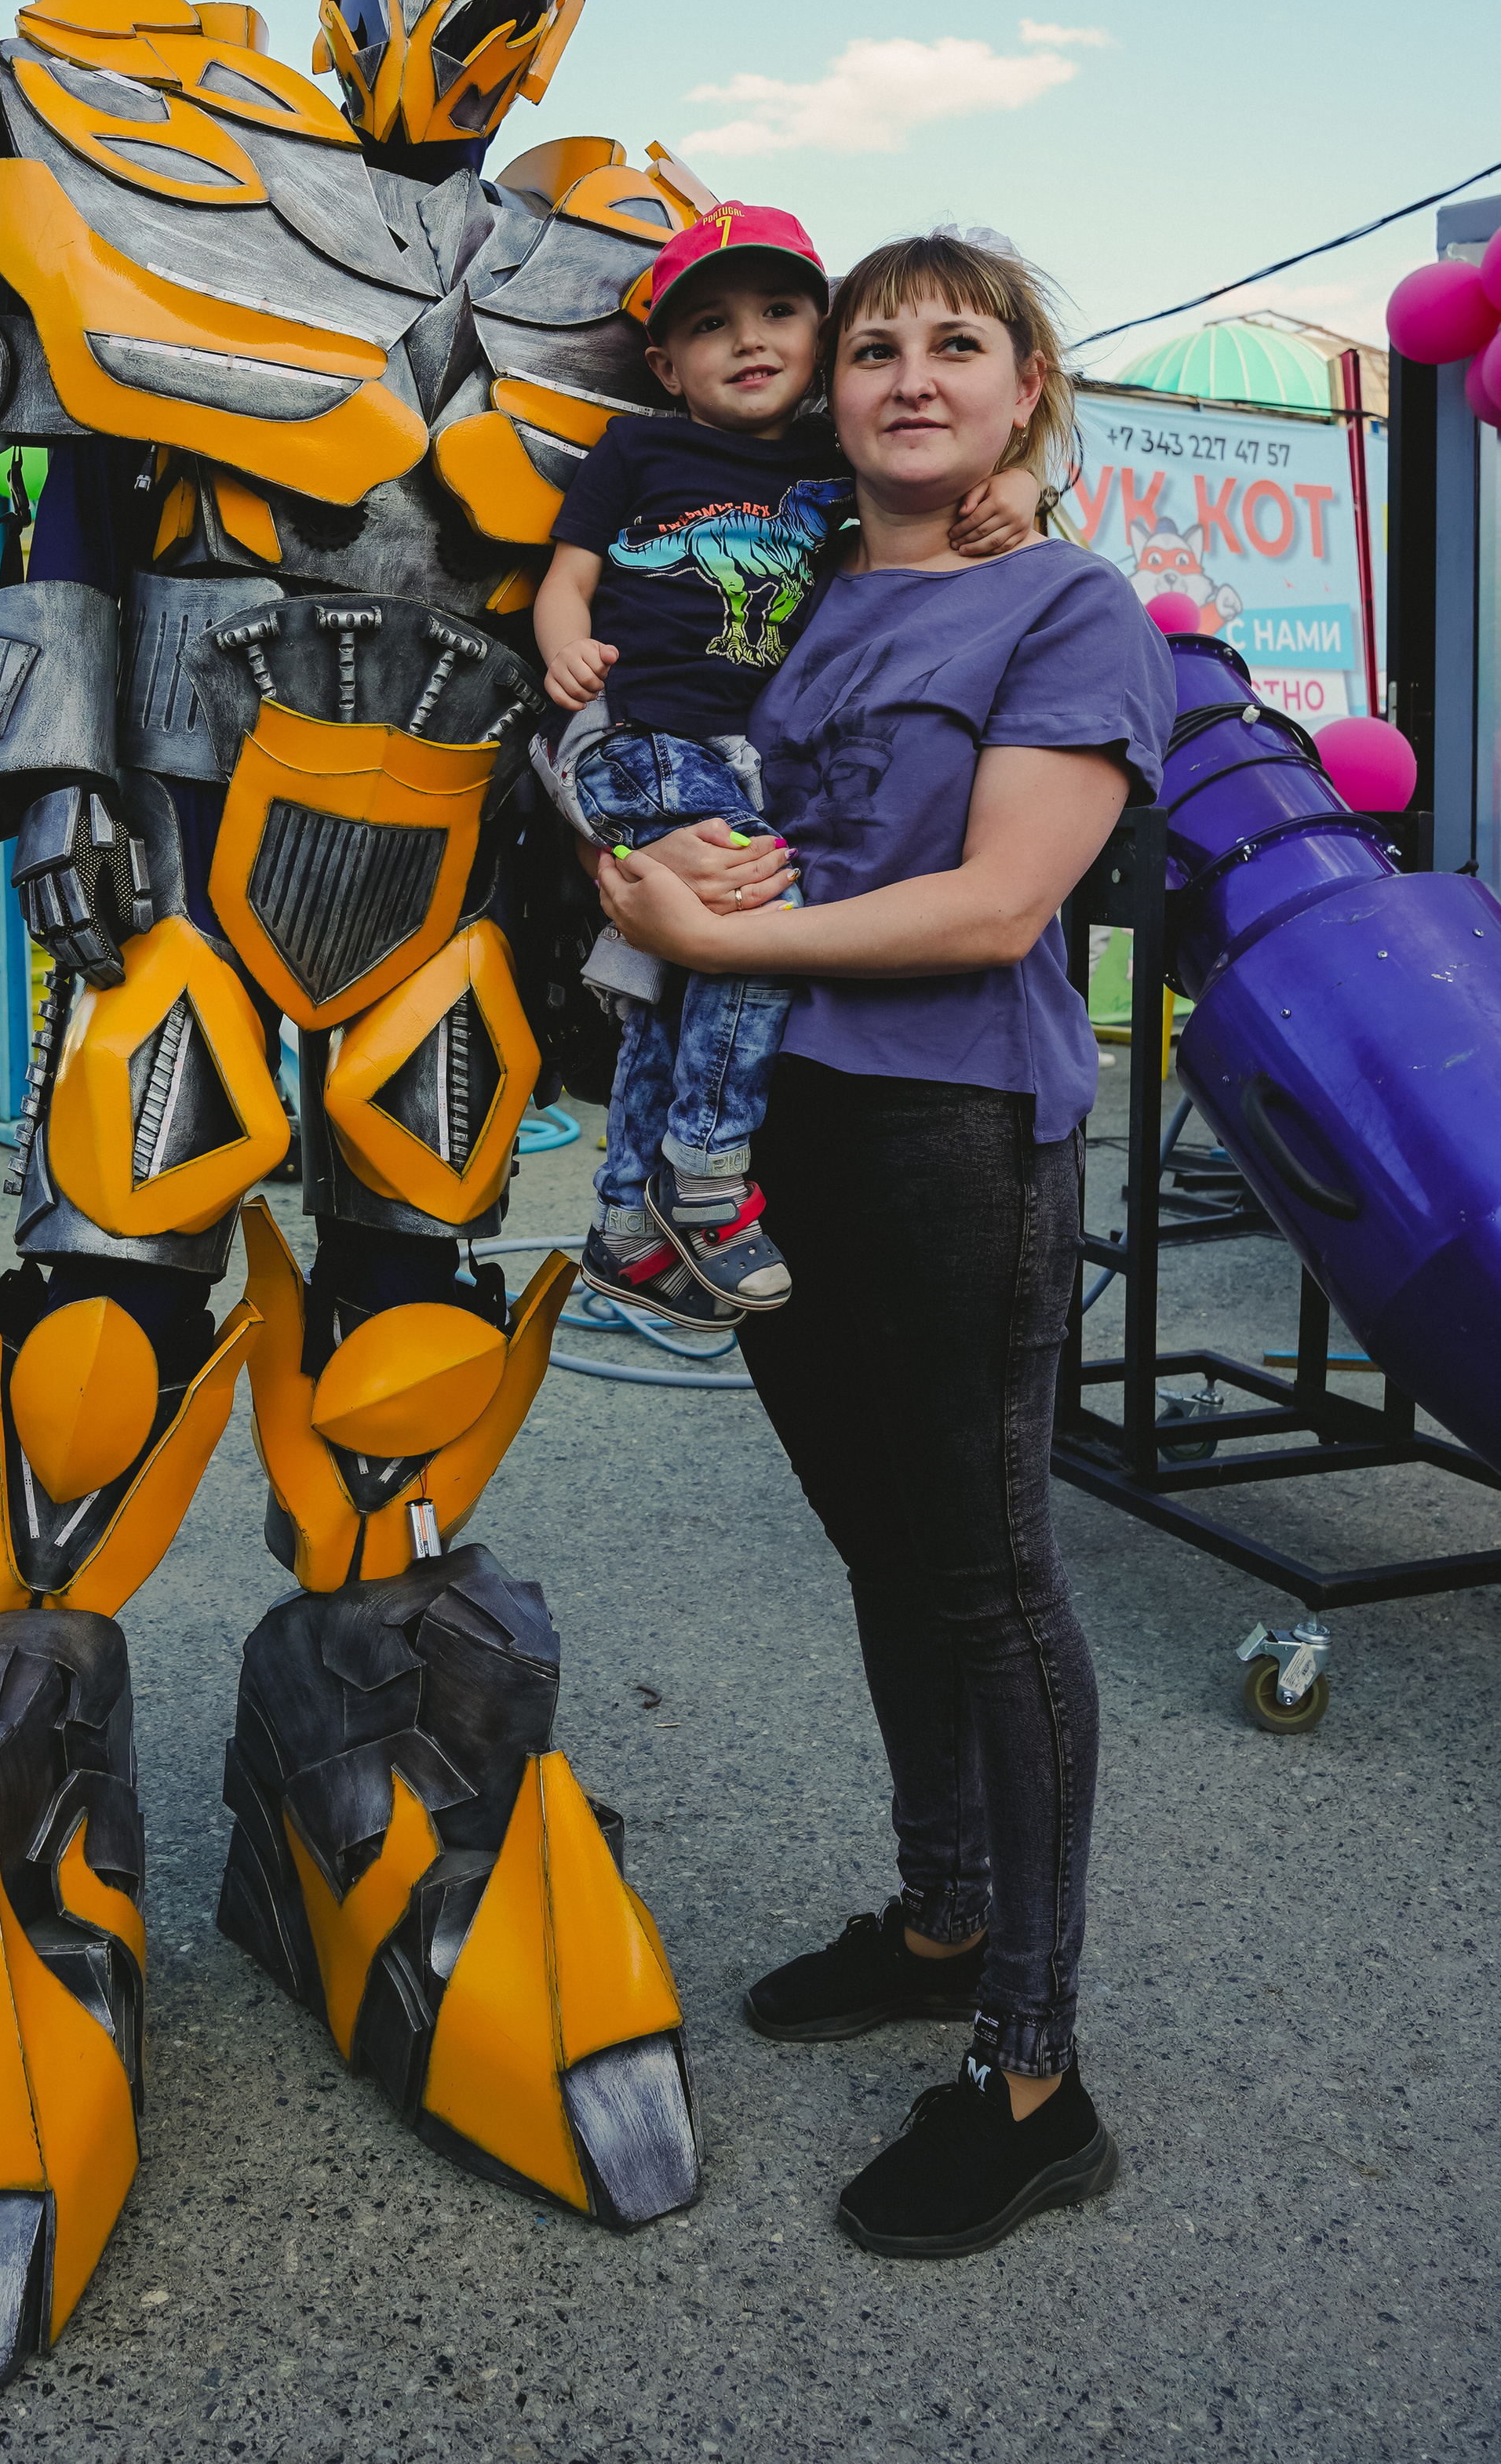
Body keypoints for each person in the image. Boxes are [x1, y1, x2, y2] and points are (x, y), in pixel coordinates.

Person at [595, 228, 1176, 2259]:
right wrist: (644, 858)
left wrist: (721, 935)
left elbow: (1001, 905)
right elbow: (649, 727)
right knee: (883, 1551)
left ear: (1029, 388)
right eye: (871, 347)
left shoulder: (1068, 603)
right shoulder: (798, 590)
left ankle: (1034, 2065)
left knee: (992, 1573)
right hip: (778, 1129)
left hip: (954, 1135)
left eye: (958, 345)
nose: (906, 374)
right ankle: (942, 1915)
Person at [535, 205, 1039, 1330]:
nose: (749, 339)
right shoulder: (641, 449)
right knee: (759, 899)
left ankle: (626, 1224)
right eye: (712, 326)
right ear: (666, 366)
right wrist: (567, 643)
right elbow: (568, 575)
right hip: (644, 738)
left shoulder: (839, 454)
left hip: (738, 752)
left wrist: (1022, 488)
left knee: (681, 975)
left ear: (821, 332)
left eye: (778, 312)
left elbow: (962, 476)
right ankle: (705, 1177)